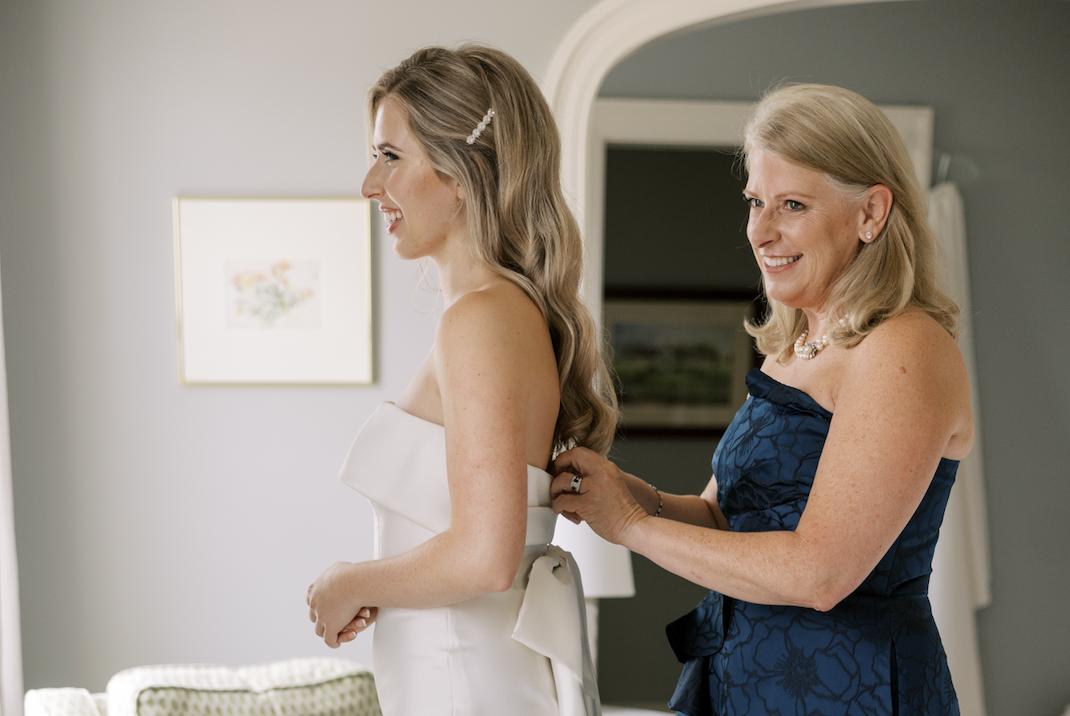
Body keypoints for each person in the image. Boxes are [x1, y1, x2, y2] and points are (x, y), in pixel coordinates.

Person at [550, 83, 974, 716]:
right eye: (755, 203)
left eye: (792, 205)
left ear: (872, 213)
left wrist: (632, 527)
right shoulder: (794, 347)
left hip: (852, 692)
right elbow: (726, 522)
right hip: (743, 684)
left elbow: (821, 574)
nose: (761, 232)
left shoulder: (905, 347)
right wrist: (622, 491)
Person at [305, 45, 616, 716]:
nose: (368, 184)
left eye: (390, 156)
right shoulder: (494, 315)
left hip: (467, 687)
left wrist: (348, 582)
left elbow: (485, 557)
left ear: (463, 170)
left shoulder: (482, 319)